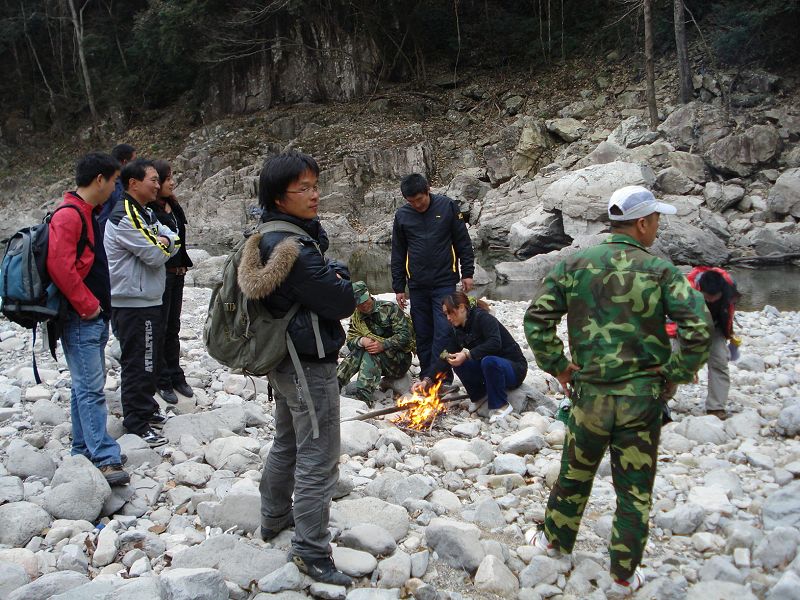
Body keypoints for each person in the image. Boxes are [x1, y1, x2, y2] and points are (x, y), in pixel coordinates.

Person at [523, 186, 711, 597]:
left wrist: (559, 367)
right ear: (642, 223)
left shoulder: (575, 264)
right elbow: (698, 330)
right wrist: (673, 375)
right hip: (641, 402)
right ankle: (624, 574)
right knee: (634, 489)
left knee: (574, 474)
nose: (658, 226)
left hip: (589, 396)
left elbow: (537, 319)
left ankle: (554, 542)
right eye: (656, 219)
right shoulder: (661, 270)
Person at [240, 150, 354, 586]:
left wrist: (330, 275)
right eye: (302, 188)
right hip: (309, 365)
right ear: (278, 196)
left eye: (315, 185)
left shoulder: (268, 234)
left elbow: (319, 285)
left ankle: (273, 518)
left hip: (283, 362)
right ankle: (310, 551)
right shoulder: (294, 248)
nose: (314, 194)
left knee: (287, 441)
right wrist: (339, 280)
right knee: (319, 455)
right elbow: (339, 301)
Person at [47, 152, 130, 487]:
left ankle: (82, 448)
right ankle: (104, 456)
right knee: (91, 388)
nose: (114, 188)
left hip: (90, 315)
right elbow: (59, 266)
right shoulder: (71, 216)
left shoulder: (86, 212)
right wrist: (88, 306)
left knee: (83, 387)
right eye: (113, 181)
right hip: (81, 317)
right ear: (100, 180)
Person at [104, 159, 179, 448]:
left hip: (146, 298)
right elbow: (156, 254)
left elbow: (174, 238)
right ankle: (136, 421)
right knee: (139, 361)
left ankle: (145, 408)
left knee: (150, 358)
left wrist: (165, 241)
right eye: (153, 180)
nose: (158, 185)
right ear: (133, 183)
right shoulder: (125, 215)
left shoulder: (145, 212)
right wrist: (164, 243)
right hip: (132, 302)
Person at [391, 173, 474, 387]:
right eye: (412, 201)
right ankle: (426, 377)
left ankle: (442, 378)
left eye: (420, 199)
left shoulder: (447, 206)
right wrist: (399, 287)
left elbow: (462, 241)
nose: (417, 205)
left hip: (444, 281)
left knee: (444, 331)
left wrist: (467, 272)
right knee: (422, 332)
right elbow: (398, 253)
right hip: (417, 285)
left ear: (428, 190)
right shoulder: (402, 215)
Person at [415, 291, 527, 423]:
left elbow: (495, 343)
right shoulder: (457, 330)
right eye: (446, 314)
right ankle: (480, 396)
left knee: (488, 361)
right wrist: (427, 380)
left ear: (462, 308)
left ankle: (501, 405)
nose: (448, 318)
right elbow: (445, 355)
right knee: (456, 361)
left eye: (450, 313)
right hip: (489, 369)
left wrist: (467, 354)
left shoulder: (484, 318)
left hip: (514, 369)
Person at [150, 159, 194, 404]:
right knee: (161, 326)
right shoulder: (150, 212)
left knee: (173, 326)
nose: (171, 183)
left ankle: (177, 375)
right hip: (163, 273)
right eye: (167, 179)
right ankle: (162, 379)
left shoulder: (173, 206)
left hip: (178, 273)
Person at [337, 281, 414, 406]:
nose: (364, 306)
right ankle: (336, 383)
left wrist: (383, 345)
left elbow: (405, 336)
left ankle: (364, 393)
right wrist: (362, 341)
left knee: (371, 351)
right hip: (379, 363)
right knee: (361, 348)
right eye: (359, 304)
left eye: (365, 301)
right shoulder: (357, 317)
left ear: (369, 295)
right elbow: (350, 341)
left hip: (398, 361)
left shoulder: (389, 309)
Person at [688, 267, 740, 419]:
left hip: (716, 326)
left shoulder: (730, 286)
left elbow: (729, 311)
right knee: (676, 361)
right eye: (707, 298)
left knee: (719, 362)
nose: (711, 300)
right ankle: (661, 402)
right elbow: (676, 315)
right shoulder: (687, 289)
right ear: (700, 290)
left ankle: (716, 408)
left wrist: (728, 334)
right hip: (689, 325)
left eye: (714, 297)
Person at [98, 143, 136, 229]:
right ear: (125, 162)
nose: (136, 165)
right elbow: (103, 219)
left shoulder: (127, 181)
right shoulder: (110, 185)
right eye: (134, 161)